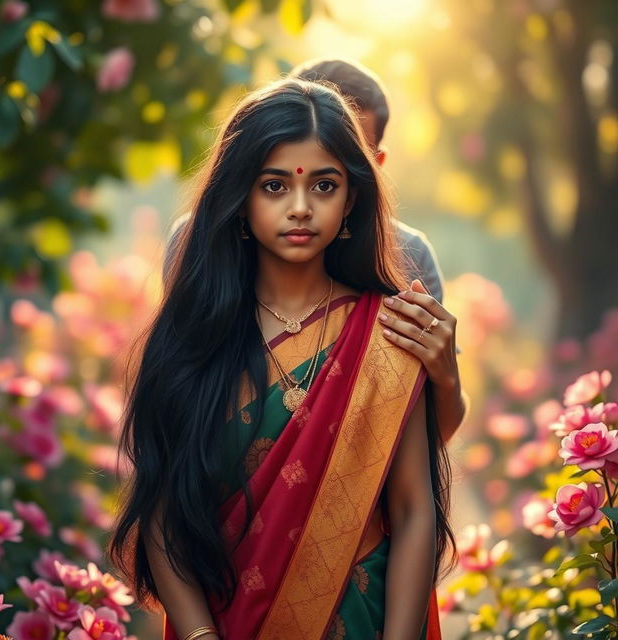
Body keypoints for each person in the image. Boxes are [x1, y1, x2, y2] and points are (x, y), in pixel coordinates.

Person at [110, 78, 456, 640]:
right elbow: (163, 507)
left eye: (324, 185)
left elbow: (415, 511)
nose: (300, 207)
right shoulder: (195, 335)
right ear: (240, 201)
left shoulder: (386, 332)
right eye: (274, 186)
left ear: (351, 202)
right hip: (221, 620)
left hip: (359, 619)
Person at [163, 58, 467, 445]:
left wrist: (446, 378)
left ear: (372, 169)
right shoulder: (200, 242)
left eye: (330, 177)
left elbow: (422, 445)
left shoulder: (408, 254)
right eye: (276, 182)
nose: (301, 208)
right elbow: (176, 406)